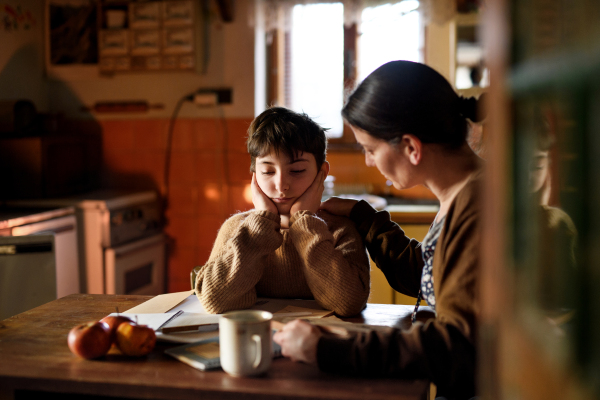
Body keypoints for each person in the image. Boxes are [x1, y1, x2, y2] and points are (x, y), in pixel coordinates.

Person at [273, 61, 485, 400]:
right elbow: (427, 273)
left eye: (370, 149)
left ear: (412, 148)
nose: (369, 162)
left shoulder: (480, 208)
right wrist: (365, 218)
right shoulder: (464, 195)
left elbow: (455, 347)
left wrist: (327, 349)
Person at [194, 107, 371, 317]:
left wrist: (304, 223)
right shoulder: (237, 229)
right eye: (268, 171)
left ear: (321, 173)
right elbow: (214, 300)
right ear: (254, 175)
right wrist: (262, 224)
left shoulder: (340, 230)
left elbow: (348, 304)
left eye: (296, 171)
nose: (281, 185)